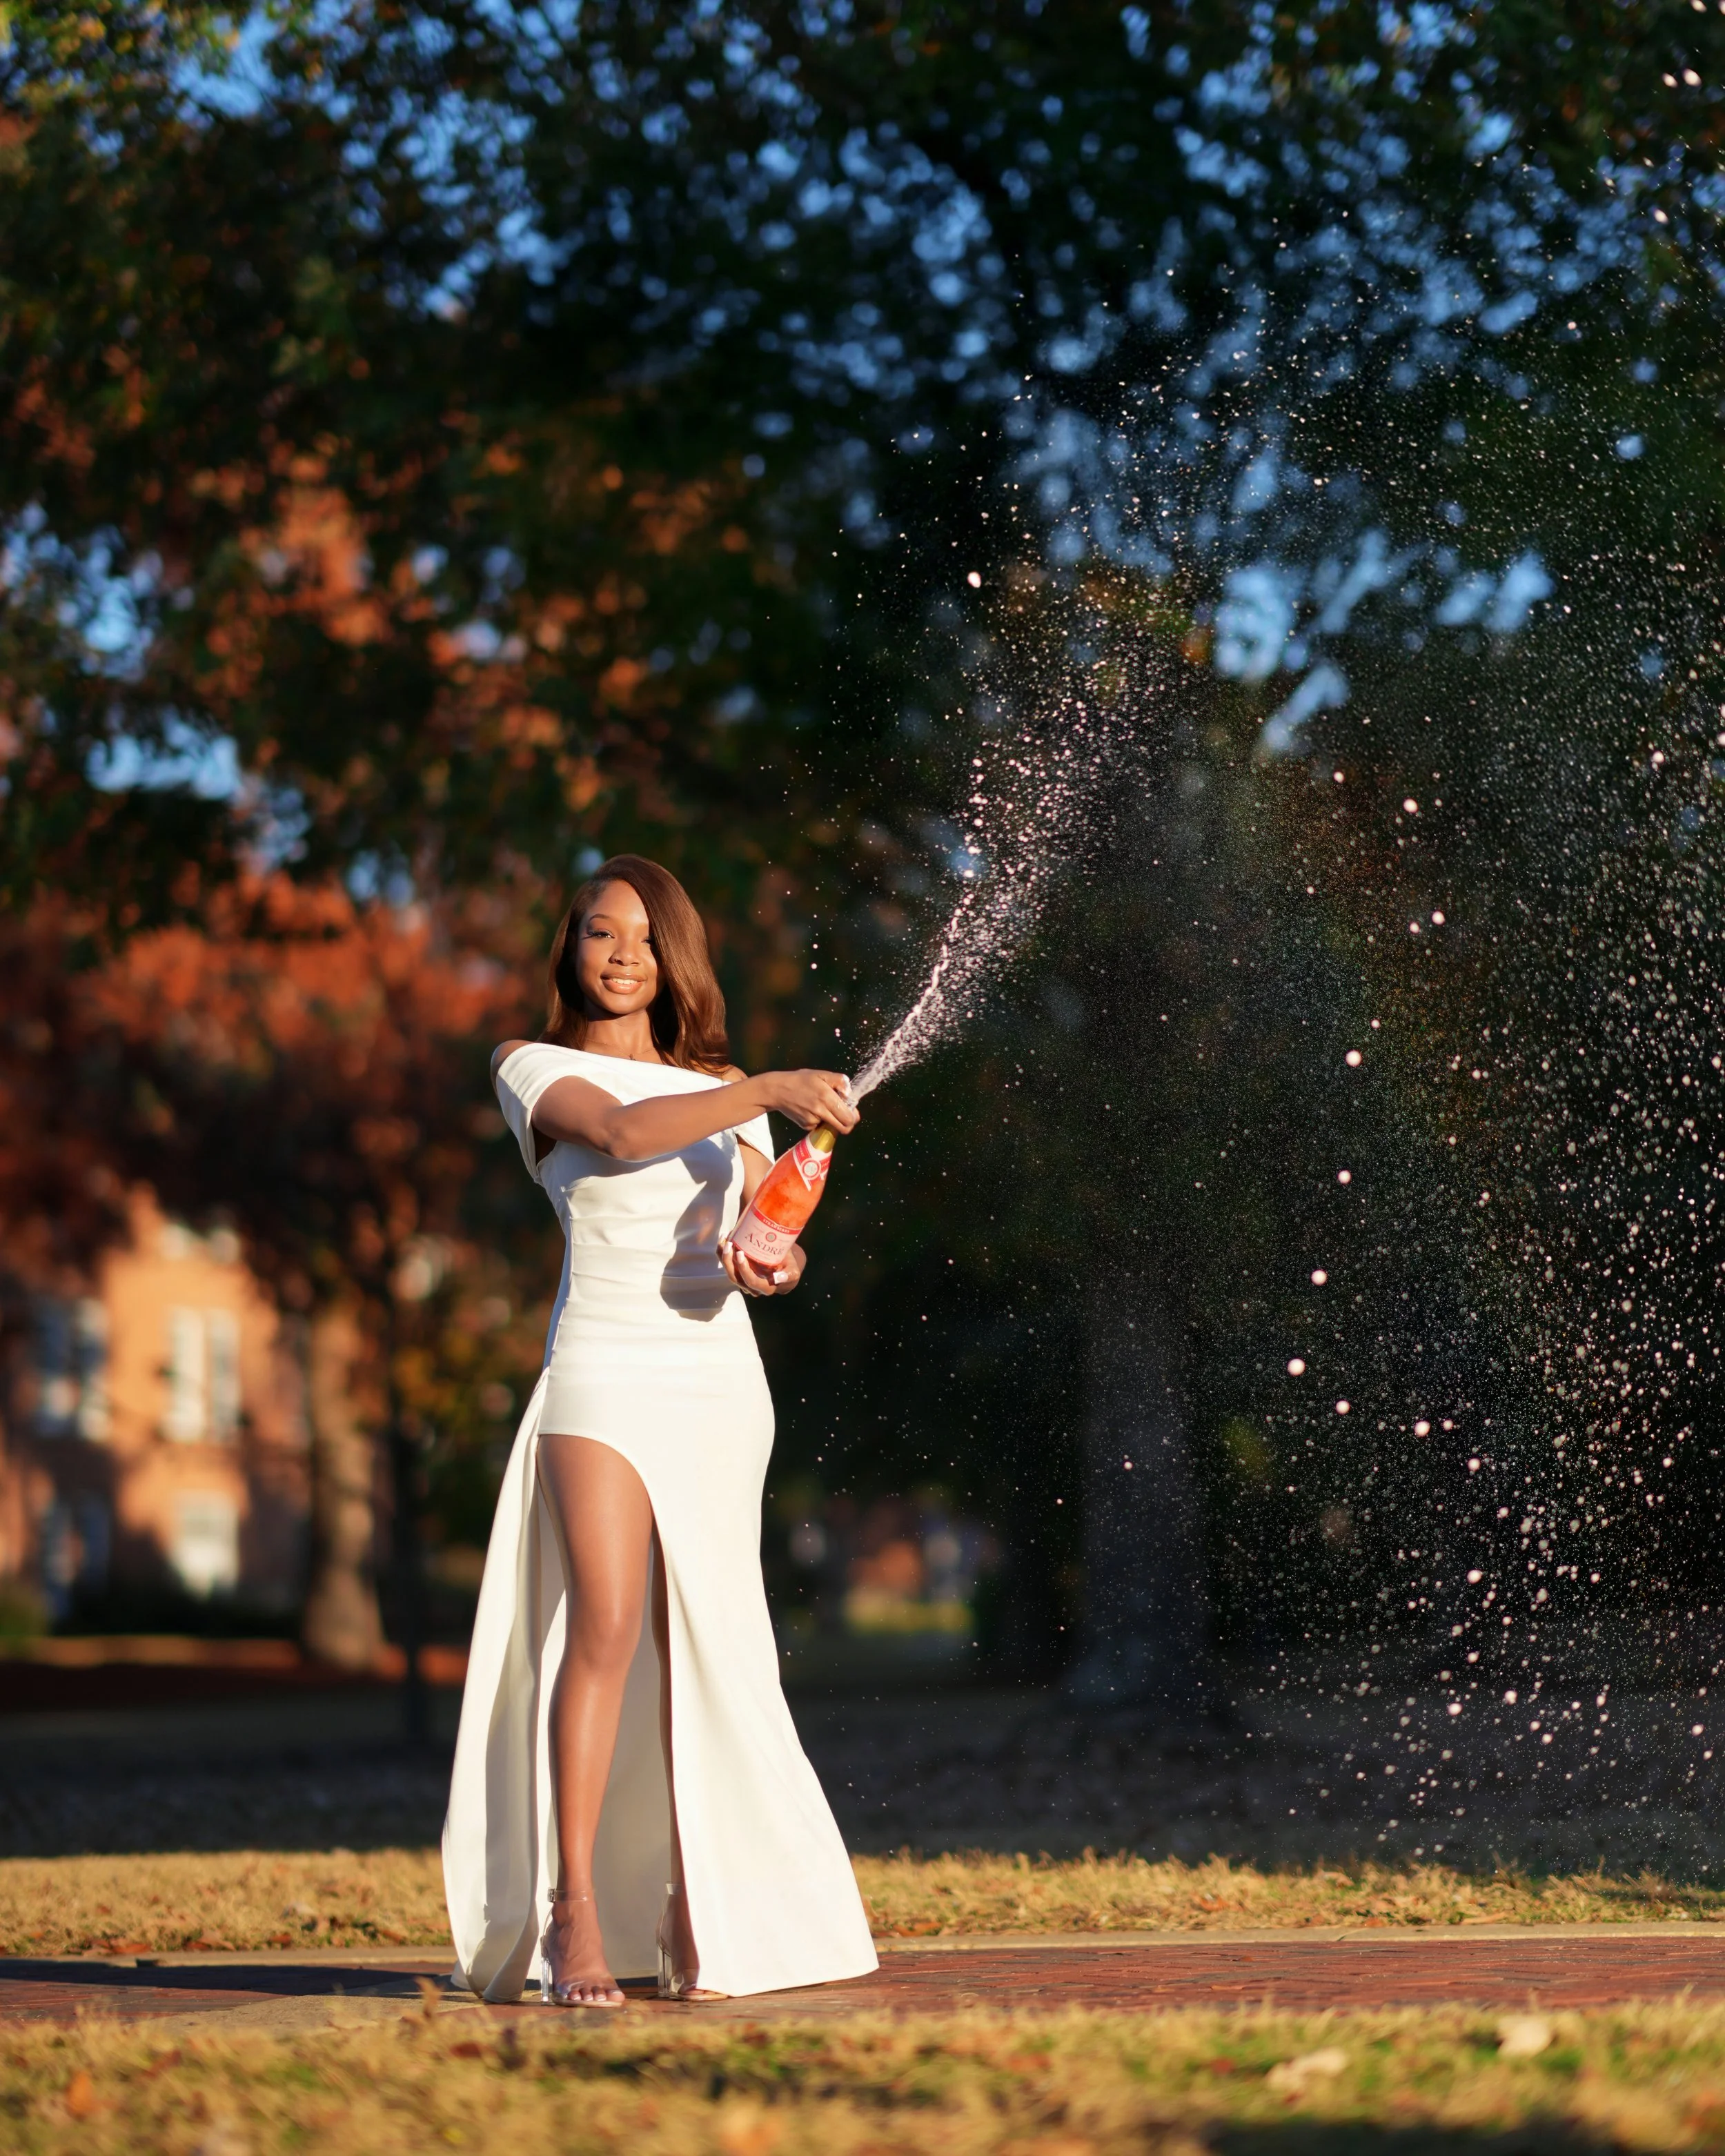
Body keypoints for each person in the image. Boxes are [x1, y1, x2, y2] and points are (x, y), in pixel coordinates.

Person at [442, 856, 877, 2006]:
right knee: (607, 1621)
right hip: (600, 1365)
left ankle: (699, 1901)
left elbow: (757, 1241)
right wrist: (769, 1088)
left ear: (673, 955)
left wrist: (770, 1259)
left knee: (708, 1641)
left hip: (717, 1382)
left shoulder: (726, 1088)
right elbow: (625, 1139)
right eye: (598, 932)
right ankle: (571, 1912)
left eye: (643, 934)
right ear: (570, 952)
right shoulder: (532, 1068)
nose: (621, 952)